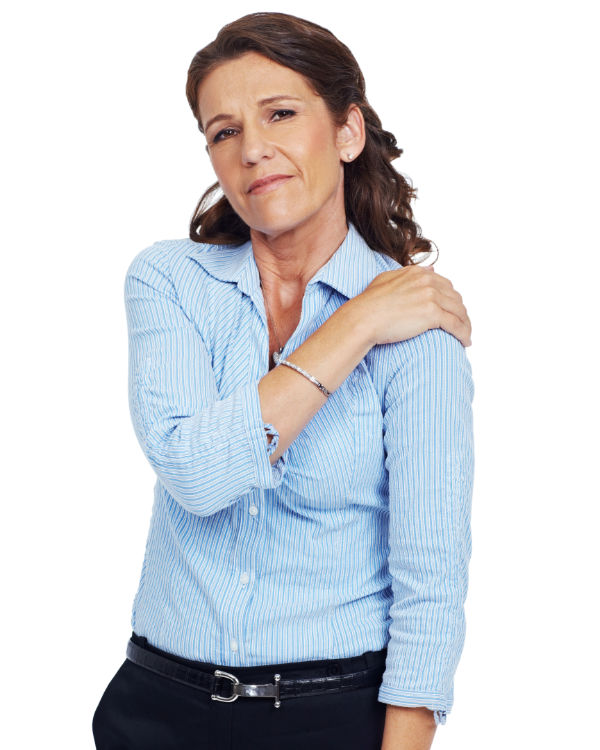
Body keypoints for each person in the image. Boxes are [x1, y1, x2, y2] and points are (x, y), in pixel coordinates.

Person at [92, 11, 474, 750]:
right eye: (223, 130)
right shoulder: (170, 282)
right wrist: (356, 323)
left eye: (281, 114)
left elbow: (431, 579)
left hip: (331, 720)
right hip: (154, 710)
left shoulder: (420, 330)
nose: (252, 150)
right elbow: (197, 475)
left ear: (347, 132)